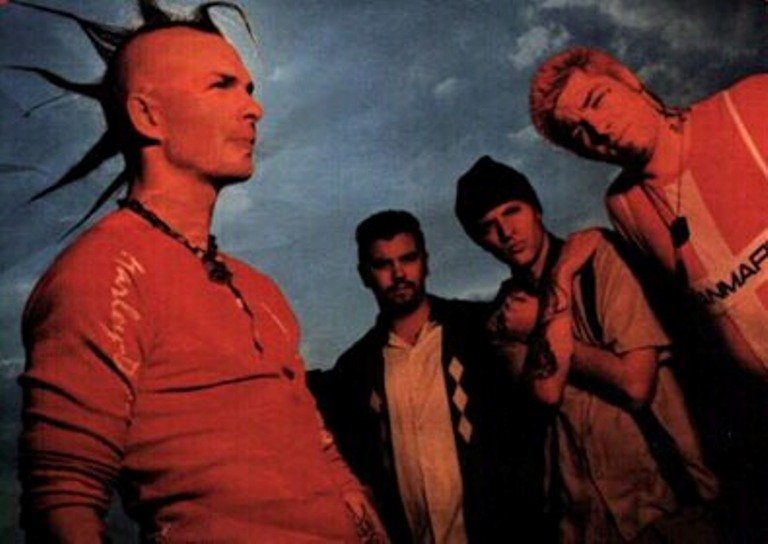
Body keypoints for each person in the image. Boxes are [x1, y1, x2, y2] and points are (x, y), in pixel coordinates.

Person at [17, 4, 385, 542]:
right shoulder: (103, 273)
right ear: (148, 116)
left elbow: (325, 460)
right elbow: (63, 497)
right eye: (222, 85)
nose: (254, 107)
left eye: (249, 88)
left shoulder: (260, 290)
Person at [454, 155, 720, 542]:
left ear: (536, 209)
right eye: (488, 227)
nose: (506, 232)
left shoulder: (599, 259)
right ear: (480, 242)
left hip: (667, 507)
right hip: (585, 525)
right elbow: (546, 391)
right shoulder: (505, 317)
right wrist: (557, 290)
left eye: (513, 211)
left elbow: (635, 384)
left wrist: (548, 305)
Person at [529, 46, 768, 377]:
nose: (599, 128)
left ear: (628, 80)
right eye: (579, 132)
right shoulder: (625, 207)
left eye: (597, 100)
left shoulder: (749, 105)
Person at [313, 210, 549, 543]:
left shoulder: (478, 331)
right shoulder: (355, 369)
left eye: (408, 259)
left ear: (426, 261)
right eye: (383, 264)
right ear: (365, 275)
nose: (398, 274)